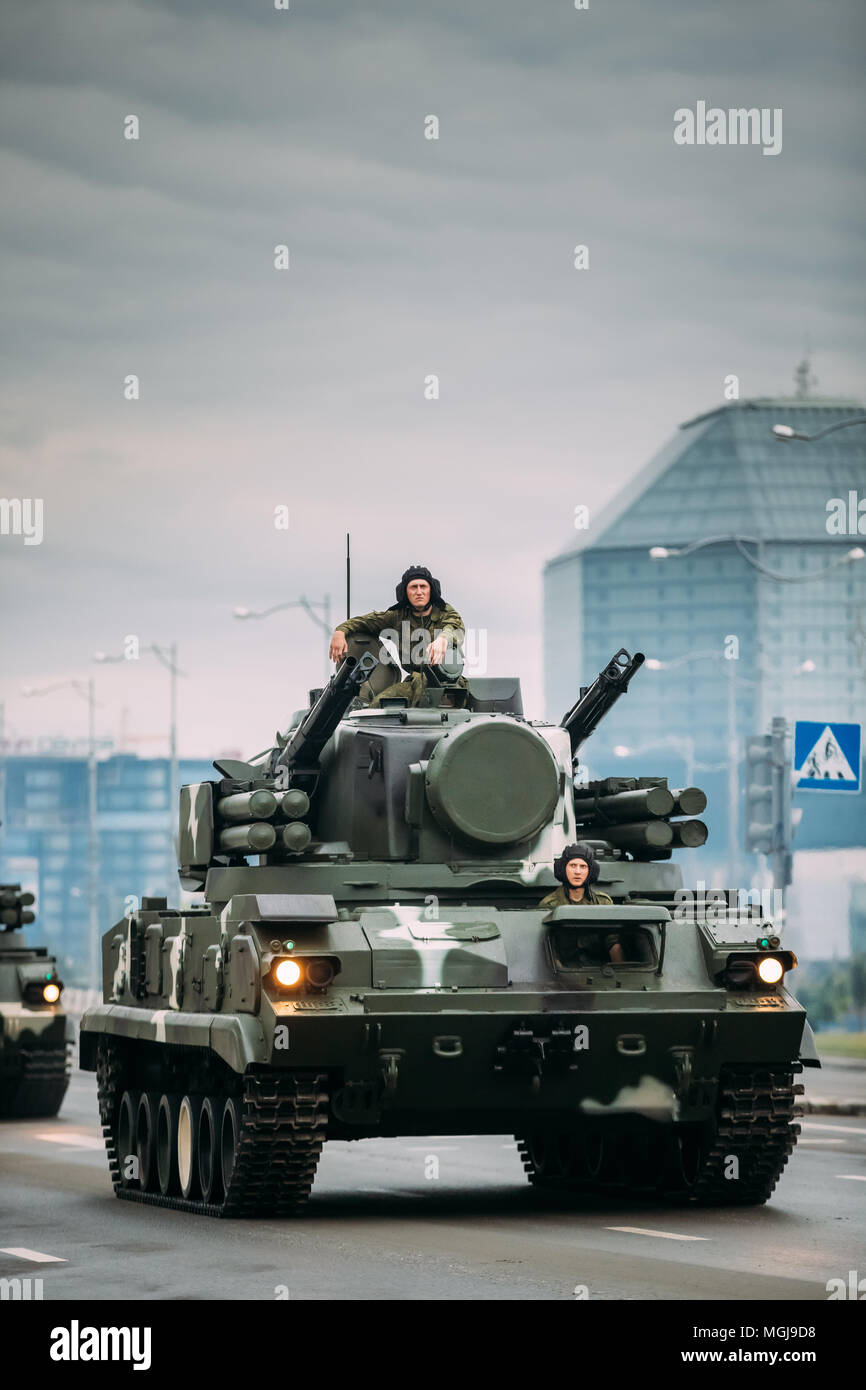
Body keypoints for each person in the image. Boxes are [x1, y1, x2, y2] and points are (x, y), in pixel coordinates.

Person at [328, 565, 465, 707]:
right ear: (405, 591)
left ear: (431, 590)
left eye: (423, 586)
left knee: (424, 705)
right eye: (414, 587)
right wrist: (340, 632)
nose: (419, 592)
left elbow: (454, 627)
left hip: (446, 682)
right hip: (414, 681)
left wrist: (443, 639)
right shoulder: (397, 617)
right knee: (377, 706)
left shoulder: (444, 612)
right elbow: (365, 622)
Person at [539, 842, 623, 963]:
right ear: (563, 869)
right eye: (573, 865)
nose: (577, 872)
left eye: (583, 867)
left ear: (590, 871)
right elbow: (547, 948)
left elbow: (613, 942)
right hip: (563, 970)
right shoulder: (550, 904)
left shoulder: (602, 902)